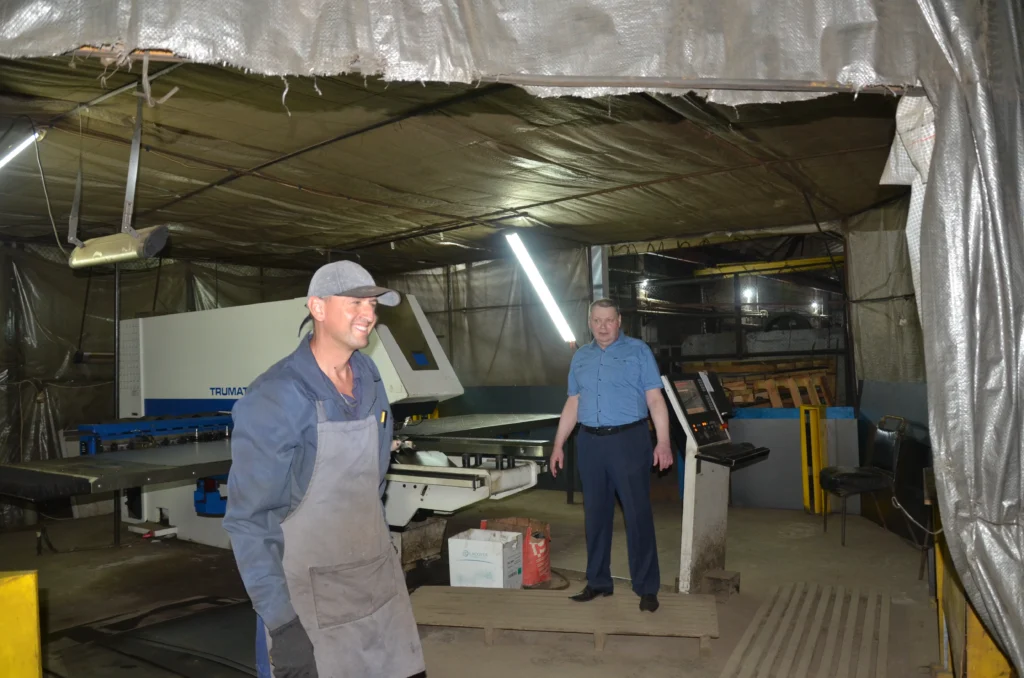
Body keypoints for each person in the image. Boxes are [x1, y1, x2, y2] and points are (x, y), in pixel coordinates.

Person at [222, 260, 424, 678]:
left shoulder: (369, 376)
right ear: (317, 307)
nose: (368, 314)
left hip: (377, 584)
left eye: (372, 304)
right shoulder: (277, 396)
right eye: (355, 303)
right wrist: (282, 624)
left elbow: (374, 486)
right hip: (310, 603)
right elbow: (250, 522)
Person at [549, 298, 673, 612]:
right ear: (589, 323)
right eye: (597, 320)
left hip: (628, 440)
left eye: (608, 320)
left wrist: (663, 442)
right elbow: (573, 403)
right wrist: (558, 445)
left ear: (619, 321)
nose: (602, 327)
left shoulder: (638, 352)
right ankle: (598, 581)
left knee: (637, 514)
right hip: (590, 443)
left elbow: (655, 399)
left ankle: (646, 587)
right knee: (595, 515)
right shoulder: (581, 357)